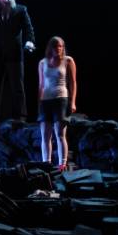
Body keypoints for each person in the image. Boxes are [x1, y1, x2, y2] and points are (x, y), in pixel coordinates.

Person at [38, 36, 77, 172]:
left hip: (61, 99)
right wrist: (39, 102)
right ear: (51, 48)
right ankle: (46, 164)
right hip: (45, 101)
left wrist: (73, 102)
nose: (58, 49)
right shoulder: (42, 62)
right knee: (45, 135)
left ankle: (62, 164)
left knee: (60, 134)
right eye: (56, 46)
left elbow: (73, 82)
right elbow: (41, 84)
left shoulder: (68, 60)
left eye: (61, 46)